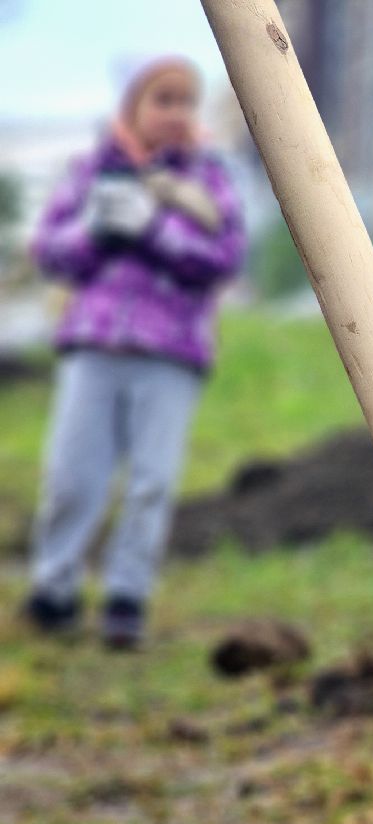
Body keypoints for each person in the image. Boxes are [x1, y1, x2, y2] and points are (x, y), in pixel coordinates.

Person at [24, 56, 246, 647]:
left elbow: (224, 257)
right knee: (73, 476)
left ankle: (127, 597)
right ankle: (54, 589)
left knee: (151, 481)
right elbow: (50, 249)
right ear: (134, 105)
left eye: (185, 102)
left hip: (171, 352)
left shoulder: (207, 178)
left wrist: (154, 228)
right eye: (162, 100)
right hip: (93, 344)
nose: (175, 113)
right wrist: (95, 229)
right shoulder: (93, 171)